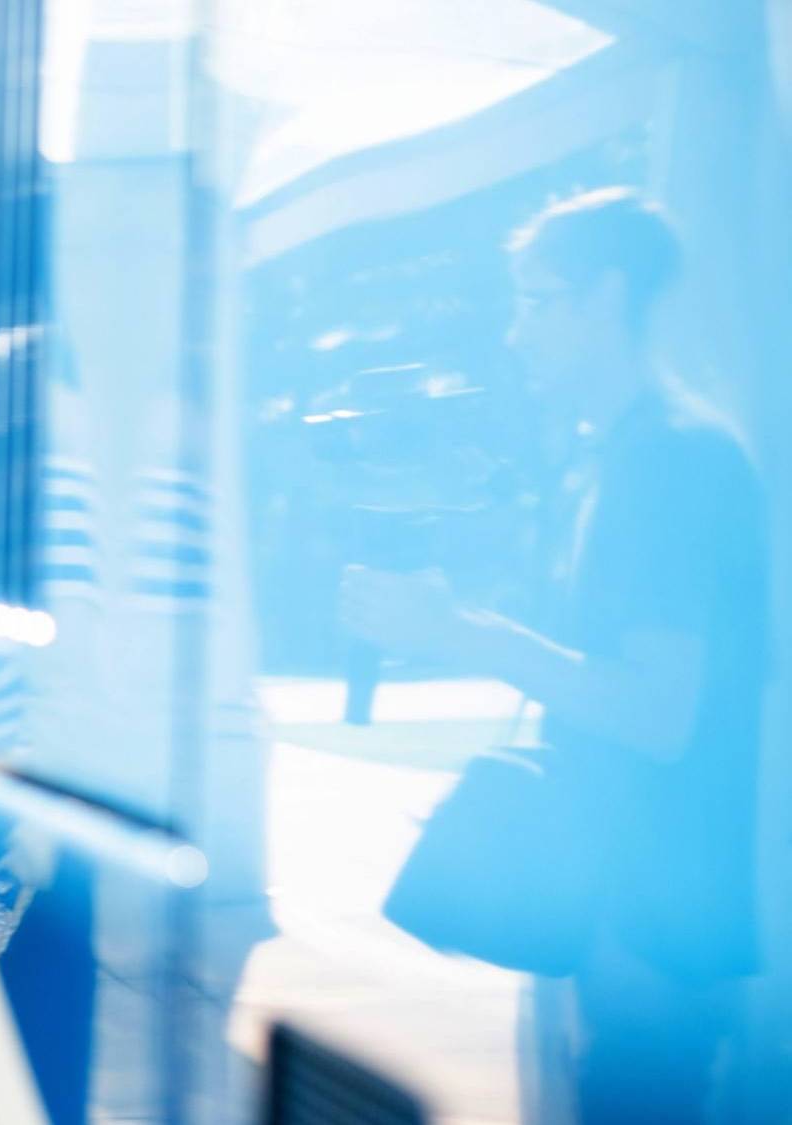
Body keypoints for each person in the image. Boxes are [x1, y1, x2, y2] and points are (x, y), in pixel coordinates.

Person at [342, 187, 767, 1123]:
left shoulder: (670, 458)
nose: (516, 333)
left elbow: (659, 715)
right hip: (633, 906)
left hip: (658, 922)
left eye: (538, 301)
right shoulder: (623, 453)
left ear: (607, 296)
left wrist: (461, 632)